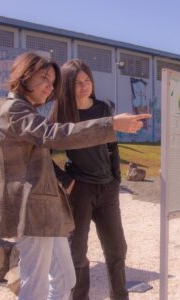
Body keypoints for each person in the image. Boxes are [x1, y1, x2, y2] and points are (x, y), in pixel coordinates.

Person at [0, 52, 150, 300]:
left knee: (66, 276)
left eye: (53, 81)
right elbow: (53, 135)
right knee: (37, 284)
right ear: (25, 76)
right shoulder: (15, 110)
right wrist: (111, 125)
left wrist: (115, 179)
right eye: (44, 78)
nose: (49, 86)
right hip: (33, 210)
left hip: (51, 209)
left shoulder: (29, 110)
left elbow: (103, 150)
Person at [50, 59, 129, 300]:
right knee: (76, 252)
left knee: (116, 249)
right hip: (79, 191)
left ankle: (120, 296)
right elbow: (42, 153)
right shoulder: (62, 113)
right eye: (77, 83)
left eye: (87, 81)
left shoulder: (103, 109)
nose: (84, 87)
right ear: (67, 86)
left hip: (107, 189)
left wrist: (115, 179)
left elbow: (112, 147)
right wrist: (65, 180)